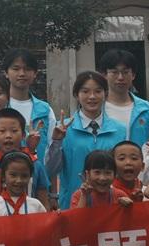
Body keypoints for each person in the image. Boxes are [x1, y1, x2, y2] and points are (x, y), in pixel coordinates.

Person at [46, 70, 125, 208]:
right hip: (73, 204)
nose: (92, 96)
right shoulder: (62, 129)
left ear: (106, 94)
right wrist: (57, 142)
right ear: (76, 95)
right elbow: (50, 169)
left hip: (111, 206)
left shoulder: (120, 130)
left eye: (98, 91)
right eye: (85, 91)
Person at [99, 48, 149, 149]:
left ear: (133, 75)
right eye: (114, 72)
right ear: (104, 75)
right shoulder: (97, 108)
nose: (120, 77)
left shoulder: (146, 109)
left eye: (125, 72)